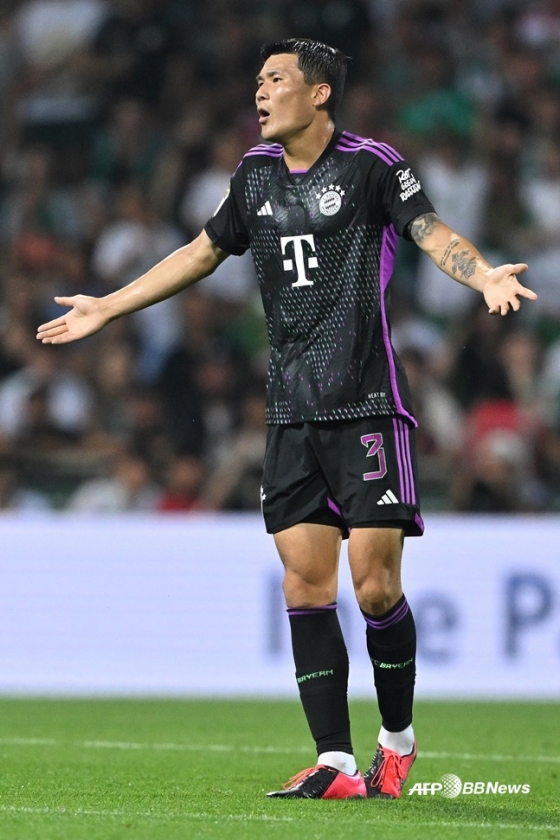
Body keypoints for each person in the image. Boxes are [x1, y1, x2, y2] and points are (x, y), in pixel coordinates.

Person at [36, 38, 537, 801]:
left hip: (367, 405)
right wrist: (108, 305)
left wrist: (483, 273)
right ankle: (335, 762)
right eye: (258, 80)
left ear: (320, 93)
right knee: (305, 585)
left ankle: (396, 740)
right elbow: (201, 252)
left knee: (374, 589)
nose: (260, 92)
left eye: (275, 79)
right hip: (291, 411)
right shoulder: (254, 175)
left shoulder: (372, 167)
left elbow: (431, 232)